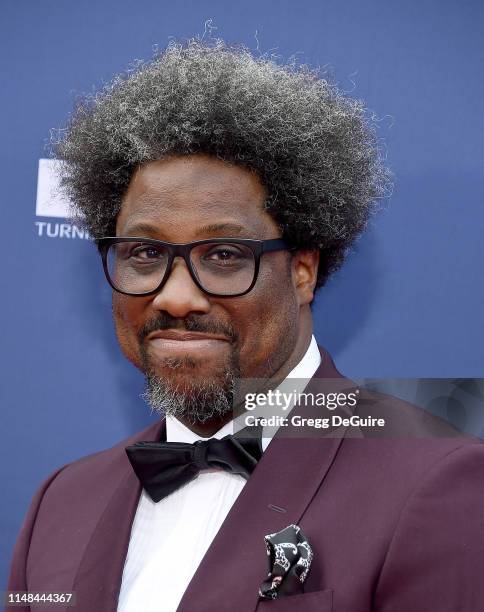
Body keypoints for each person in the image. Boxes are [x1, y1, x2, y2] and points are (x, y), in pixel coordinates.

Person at [7, 39, 484, 612]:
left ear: (303, 271)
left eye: (225, 255)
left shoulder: (436, 481)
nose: (176, 296)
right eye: (143, 253)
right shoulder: (62, 502)